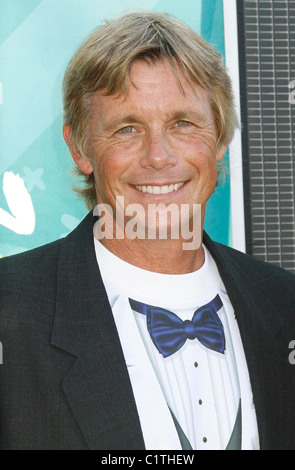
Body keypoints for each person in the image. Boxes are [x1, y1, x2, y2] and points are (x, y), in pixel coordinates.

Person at [1, 10, 295, 451]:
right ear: (80, 147)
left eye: (182, 123)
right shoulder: (10, 311)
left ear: (217, 141)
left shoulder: (285, 304)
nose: (158, 156)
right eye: (127, 128)